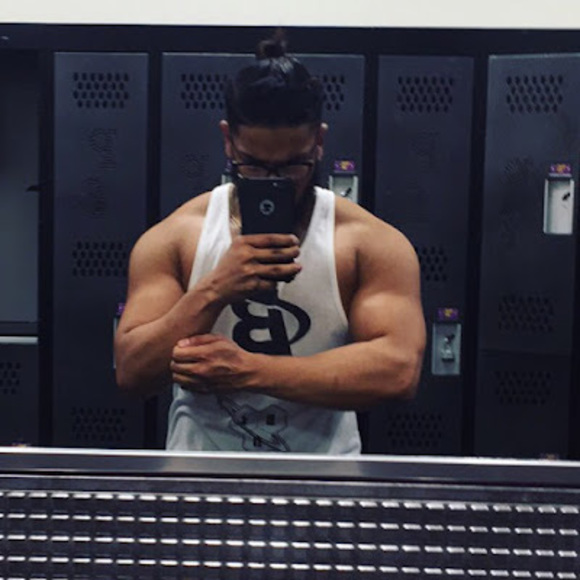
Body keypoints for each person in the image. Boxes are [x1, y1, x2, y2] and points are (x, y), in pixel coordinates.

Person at [114, 33, 426, 454]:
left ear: (319, 142)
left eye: (293, 165)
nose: (274, 180)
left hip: (322, 484)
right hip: (200, 481)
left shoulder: (368, 244)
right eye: (254, 165)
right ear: (228, 140)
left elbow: (398, 371)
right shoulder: (178, 237)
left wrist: (249, 371)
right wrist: (214, 289)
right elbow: (133, 371)